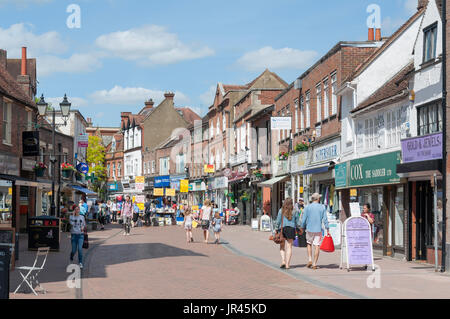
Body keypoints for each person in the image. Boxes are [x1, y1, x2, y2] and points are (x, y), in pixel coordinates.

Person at [299, 193, 329, 270]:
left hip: (309, 228)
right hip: (318, 229)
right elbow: (325, 219)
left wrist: (302, 227)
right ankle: (315, 263)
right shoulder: (322, 207)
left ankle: (310, 259)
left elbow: (304, 218)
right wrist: (327, 228)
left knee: (309, 243)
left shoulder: (307, 207)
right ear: (318, 199)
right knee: (317, 246)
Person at [275, 198, 300, 270]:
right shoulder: (295, 211)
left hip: (282, 229)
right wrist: (299, 227)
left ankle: (283, 260)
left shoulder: (281, 210)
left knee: (282, 246)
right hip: (291, 229)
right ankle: (287, 264)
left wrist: (276, 229)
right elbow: (298, 222)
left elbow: (278, 221)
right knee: (289, 247)